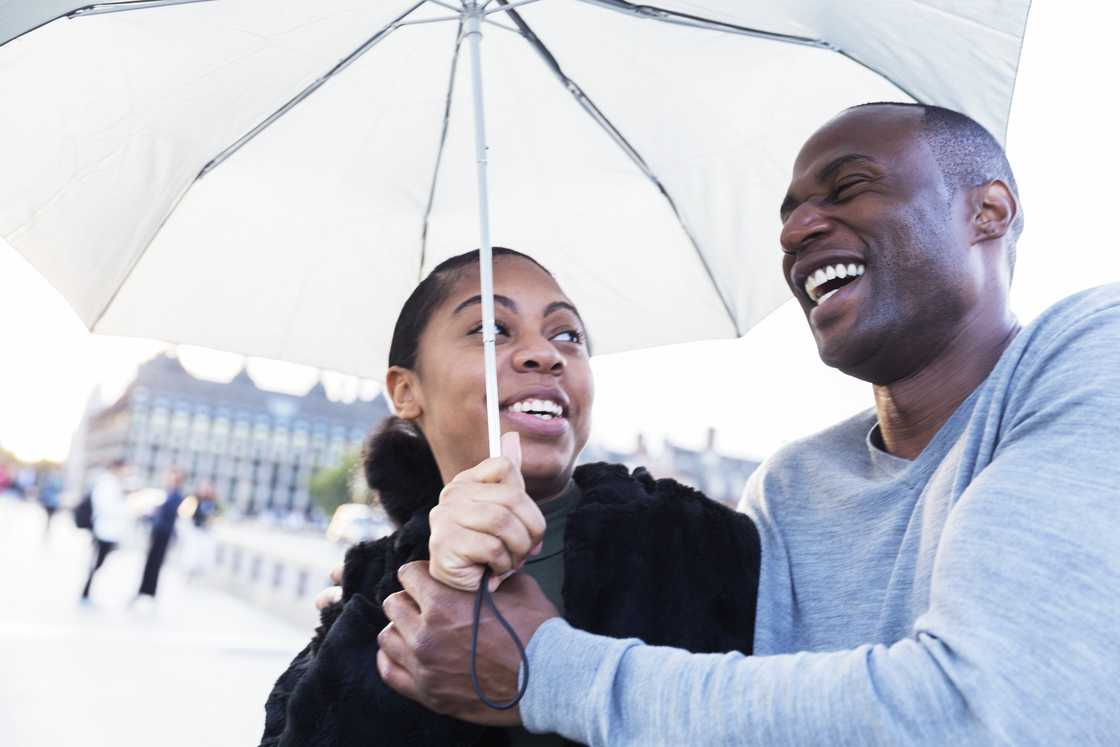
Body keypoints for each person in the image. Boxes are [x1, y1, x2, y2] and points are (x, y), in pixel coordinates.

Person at [376, 103, 1120, 744]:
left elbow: (997, 713)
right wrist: (467, 553)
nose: (797, 229)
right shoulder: (793, 487)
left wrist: (550, 672)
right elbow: (700, 690)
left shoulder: (1092, 351)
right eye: (789, 213)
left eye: (849, 187)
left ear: (987, 211)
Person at [259, 248, 763, 746]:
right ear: (406, 391)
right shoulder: (373, 588)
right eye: (490, 330)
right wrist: (441, 587)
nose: (545, 353)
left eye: (567, 334)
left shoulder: (705, 544)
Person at [81, 459, 130, 602]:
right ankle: (85, 592)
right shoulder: (107, 484)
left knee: (98, 562)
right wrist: (125, 509)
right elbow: (107, 507)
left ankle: (87, 591)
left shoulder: (113, 483)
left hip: (108, 529)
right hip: (103, 529)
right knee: (97, 561)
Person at [134, 468, 185, 602]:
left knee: (155, 563)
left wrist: (155, 512)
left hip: (163, 533)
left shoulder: (176, 495)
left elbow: (168, 514)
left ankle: (148, 592)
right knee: (151, 562)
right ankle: (145, 590)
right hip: (159, 531)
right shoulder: (170, 493)